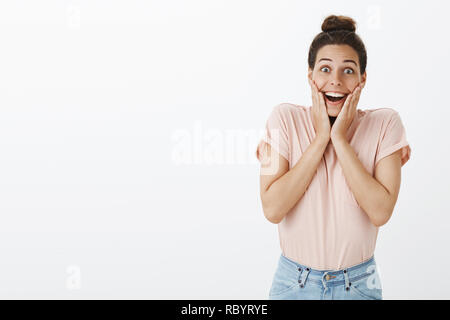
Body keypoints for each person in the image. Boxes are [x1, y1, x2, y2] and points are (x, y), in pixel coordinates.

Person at [255, 14, 411, 300]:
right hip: (294, 284)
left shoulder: (386, 124)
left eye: (348, 71)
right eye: (325, 69)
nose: (335, 81)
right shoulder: (282, 119)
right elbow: (272, 209)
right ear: (310, 76)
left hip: (360, 285)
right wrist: (320, 139)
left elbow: (380, 212)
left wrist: (339, 139)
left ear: (362, 79)